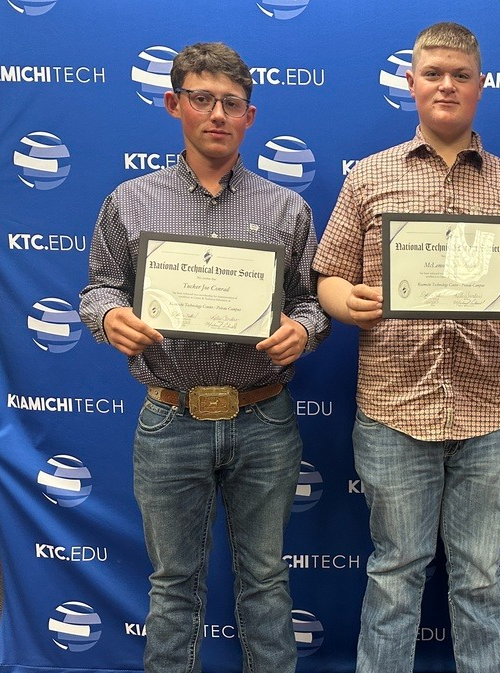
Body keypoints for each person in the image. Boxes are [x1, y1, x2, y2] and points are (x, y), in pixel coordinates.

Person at [312, 21, 500, 673]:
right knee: (395, 575)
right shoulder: (369, 178)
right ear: (410, 83)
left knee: (480, 577)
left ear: (480, 85)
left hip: (489, 416)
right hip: (394, 411)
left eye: (460, 75)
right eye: (433, 74)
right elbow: (328, 273)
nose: (446, 85)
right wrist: (347, 301)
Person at [78, 42, 329, 673]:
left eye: (231, 103)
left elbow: (312, 300)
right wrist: (108, 317)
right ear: (174, 104)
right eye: (202, 99)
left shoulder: (287, 208)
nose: (216, 113)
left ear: (249, 116)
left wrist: (304, 329)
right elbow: (99, 287)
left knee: (266, 580)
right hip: (170, 419)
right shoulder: (129, 201)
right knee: (172, 584)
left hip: (263, 418)